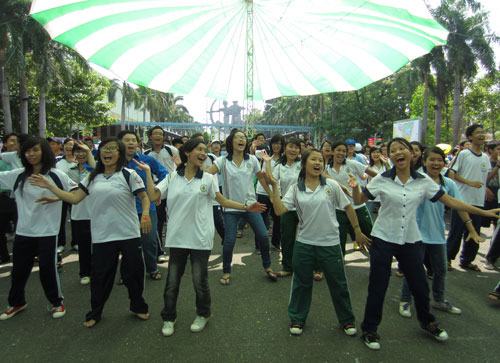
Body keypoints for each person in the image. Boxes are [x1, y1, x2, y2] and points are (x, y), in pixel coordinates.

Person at [350, 137, 499, 350]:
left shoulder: (423, 181)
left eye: (402, 149)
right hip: (383, 238)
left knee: (420, 286)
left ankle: (427, 322)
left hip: (411, 239)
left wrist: (483, 212)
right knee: (378, 286)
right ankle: (370, 329)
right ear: (390, 157)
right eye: (393, 150)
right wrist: (355, 187)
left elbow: (450, 201)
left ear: (412, 154)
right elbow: (358, 201)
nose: (398, 152)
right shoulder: (382, 179)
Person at [136, 138, 266, 337]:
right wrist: (147, 173)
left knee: (200, 280)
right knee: (172, 282)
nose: (204, 153)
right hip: (177, 237)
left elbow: (222, 200)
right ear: (187, 153)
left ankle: (203, 314)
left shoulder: (208, 178)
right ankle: (169, 317)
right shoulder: (172, 177)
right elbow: (154, 196)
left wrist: (246, 207)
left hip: (200, 238)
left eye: (205, 150)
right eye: (199, 149)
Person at [30, 137, 152, 328]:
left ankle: (138, 306)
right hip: (103, 236)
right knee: (101, 277)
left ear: (119, 153)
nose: (107, 152)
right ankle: (95, 312)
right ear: (99, 153)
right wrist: (51, 188)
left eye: (112, 148)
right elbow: (74, 198)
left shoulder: (129, 174)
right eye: (104, 149)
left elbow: (144, 197)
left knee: (133, 274)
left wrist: (145, 214)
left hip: (129, 234)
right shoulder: (92, 177)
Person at [264, 149, 370, 336]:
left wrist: (357, 230)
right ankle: (297, 318)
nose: (318, 163)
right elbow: (280, 211)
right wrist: (274, 186)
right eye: (314, 159)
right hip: (304, 243)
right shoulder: (296, 188)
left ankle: (347, 320)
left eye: (320, 160)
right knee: (301, 283)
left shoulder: (331, 185)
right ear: (304, 164)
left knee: (338, 284)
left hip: (330, 244)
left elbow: (348, 207)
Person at [398, 146, 492, 318]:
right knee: (414, 269)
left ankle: (439, 300)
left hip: (438, 235)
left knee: (441, 270)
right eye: (432, 160)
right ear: (424, 162)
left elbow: (458, 205)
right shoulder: (416, 180)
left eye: (439, 160)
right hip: (415, 234)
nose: (436, 163)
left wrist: (471, 229)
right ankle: (405, 300)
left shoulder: (448, 183)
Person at [0, 137, 77, 321]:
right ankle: (17, 302)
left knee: (47, 269)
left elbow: (76, 193)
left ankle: (56, 302)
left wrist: (56, 197)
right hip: (24, 232)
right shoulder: (18, 175)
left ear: (44, 151)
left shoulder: (56, 175)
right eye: (27, 151)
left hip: (48, 232)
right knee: (19, 270)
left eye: (35, 150)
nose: (31, 154)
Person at [206, 129, 278, 285]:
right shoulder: (222, 161)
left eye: (244, 138)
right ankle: (226, 271)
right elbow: (207, 174)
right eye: (238, 137)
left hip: (252, 206)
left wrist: (271, 194)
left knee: (264, 236)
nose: (241, 140)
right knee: (229, 241)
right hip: (231, 208)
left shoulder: (252, 160)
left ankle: (267, 267)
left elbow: (262, 179)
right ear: (231, 142)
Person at [119, 130, 167, 281]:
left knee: (150, 241)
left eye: (134, 140)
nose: (131, 143)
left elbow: (165, 174)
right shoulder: (114, 162)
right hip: (123, 210)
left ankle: (152, 268)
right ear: (120, 143)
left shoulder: (147, 160)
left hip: (147, 208)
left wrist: (157, 191)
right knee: (126, 243)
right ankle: (126, 272)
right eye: (127, 140)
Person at [447, 124, 491, 271]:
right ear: (470, 137)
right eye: (478, 132)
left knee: (474, 232)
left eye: (482, 132)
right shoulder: (464, 154)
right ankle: (447, 258)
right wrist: (469, 182)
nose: (481, 135)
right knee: (456, 232)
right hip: (461, 200)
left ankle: (466, 260)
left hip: (478, 201)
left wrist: (487, 188)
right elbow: (452, 174)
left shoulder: (485, 157)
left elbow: (486, 177)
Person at [325, 141, 377, 255]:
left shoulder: (352, 164)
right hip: (339, 210)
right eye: (338, 150)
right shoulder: (326, 169)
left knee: (372, 238)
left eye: (344, 151)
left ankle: (380, 263)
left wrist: (369, 191)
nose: (341, 153)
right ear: (333, 151)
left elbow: (375, 175)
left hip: (358, 207)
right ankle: (339, 268)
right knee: (339, 241)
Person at [262, 138, 301, 277]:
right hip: (287, 207)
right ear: (285, 148)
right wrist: (267, 162)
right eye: (291, 146)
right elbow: (270, 179)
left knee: (310, 237)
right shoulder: (280, 166)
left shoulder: (303, 164)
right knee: (287, 238)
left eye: (297, 147)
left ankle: (315, 267)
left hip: (306, 206)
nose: (293, 150)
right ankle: (287, 267)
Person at [66, 142, 95, 285]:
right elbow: (68, 191)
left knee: (98, 245)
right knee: (83, 246)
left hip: (96, 213)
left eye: (84, 152)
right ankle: (85, 273)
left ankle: (98, 271)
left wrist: (88, 151)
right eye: (77, 151)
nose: (81, 154)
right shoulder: (69, 170)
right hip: (78, 214)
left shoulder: (94, 169)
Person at [255, 134, 284, 250]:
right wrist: (270, 194)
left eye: (279, 143)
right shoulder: (266, 157)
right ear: (271, 145)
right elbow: (262, 178)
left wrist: (275, 194)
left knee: (278, 219)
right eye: (274, 143)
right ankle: (259, 246)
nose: (277, 145)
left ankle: (276, 243)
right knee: (261, 219)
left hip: (278, 193)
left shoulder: (285, 160)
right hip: (263, 192)